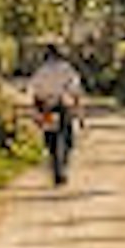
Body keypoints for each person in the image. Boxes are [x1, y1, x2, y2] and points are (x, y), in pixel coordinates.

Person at [27, 41, 86, 185]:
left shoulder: (41, 70)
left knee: (51, 141)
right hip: (63, 106)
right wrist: (79, 112)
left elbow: (34, 90)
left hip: (47, 107)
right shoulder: (67, 69)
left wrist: (37, 111)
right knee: (67, 140)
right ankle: (63, 168)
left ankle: (55, 170)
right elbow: (75, 89)